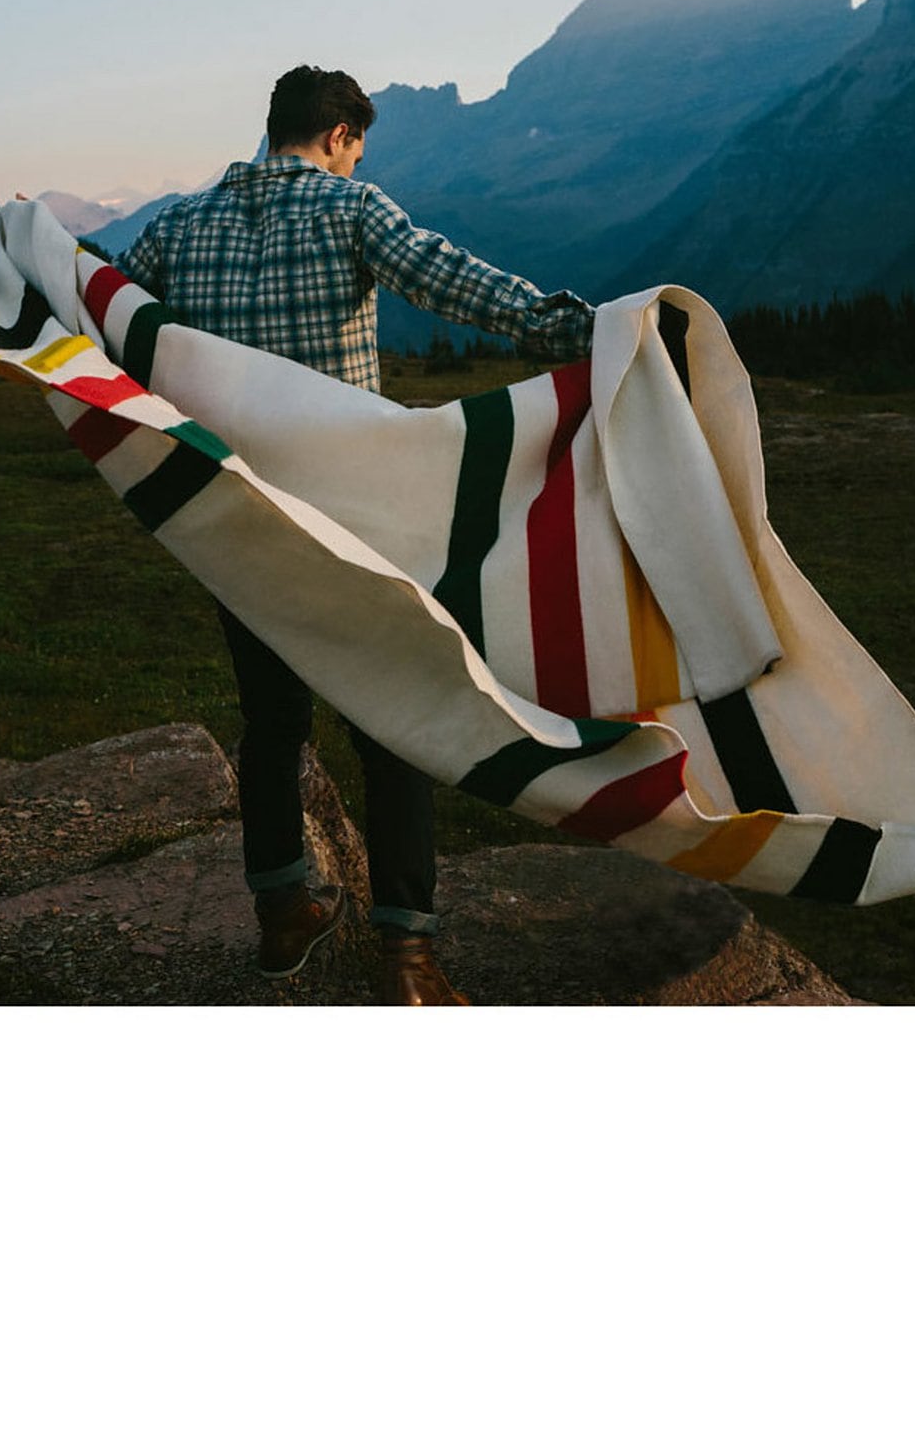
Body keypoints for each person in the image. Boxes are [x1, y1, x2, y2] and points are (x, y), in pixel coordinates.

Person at [116, 65, 595, 1005]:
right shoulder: (351, 210)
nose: (353, 164)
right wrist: (583, 330)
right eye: (355, 150)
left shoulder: (177, 225)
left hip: (233, 519)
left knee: (272, 722)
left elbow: (105, 317)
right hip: (350, 521)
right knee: (394, 722)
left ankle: (282, 914)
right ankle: (407, 958)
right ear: (338, 135)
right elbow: (455, 283)